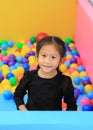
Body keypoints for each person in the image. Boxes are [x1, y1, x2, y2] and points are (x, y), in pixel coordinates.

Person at [14, 36, 77, 111]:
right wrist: (24, 111)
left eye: (53, 57)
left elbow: (72, 105)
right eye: (44, 56)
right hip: (31, 118)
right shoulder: (29, 76)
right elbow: (18, 95)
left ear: (61, 60)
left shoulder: (64, 81)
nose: (47, 61)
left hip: (54, 120)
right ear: (37, 56)